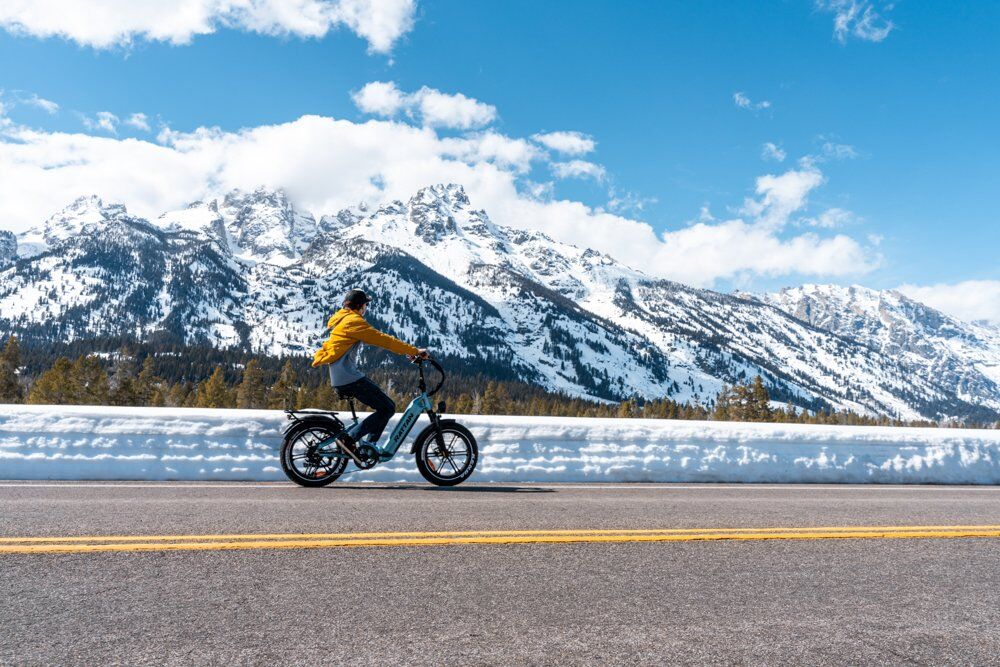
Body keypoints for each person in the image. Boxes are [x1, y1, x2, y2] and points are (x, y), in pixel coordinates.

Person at [311, 289, 428, 446]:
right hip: (348, 377)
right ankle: (349, 439)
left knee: (384, 407)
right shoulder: (352, 321)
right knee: (387, 408)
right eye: (366, 304)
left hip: (341, 376)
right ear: (360, 306)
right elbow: (384, 340)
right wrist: (414, 351)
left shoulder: (342, 319)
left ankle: (369, 448)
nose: (366, 308)